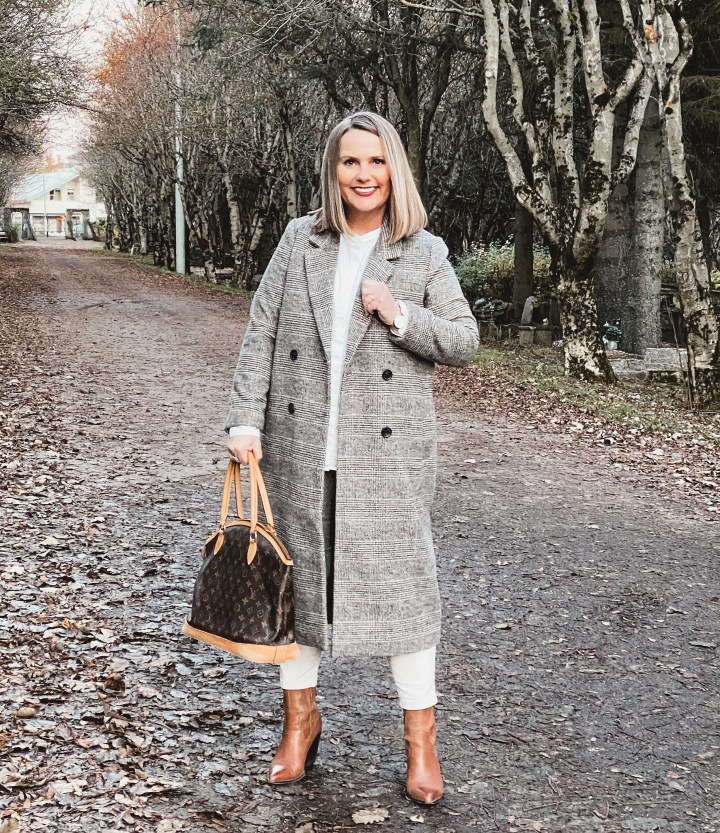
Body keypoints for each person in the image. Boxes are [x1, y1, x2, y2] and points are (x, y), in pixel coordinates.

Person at [225, 111, 479, 805]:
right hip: (301, 444)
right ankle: (299, 722)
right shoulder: (299, 239)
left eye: (376, 161)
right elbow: (261, 332)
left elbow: (464, 340)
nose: (364, 175)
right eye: (350, 162)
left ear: (394, 169)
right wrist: (245, 419)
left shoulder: (423, 251)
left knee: (406, 593)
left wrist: (398, 313)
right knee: (298, 585)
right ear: (333, 171)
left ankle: (421, 742)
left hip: (389, 458)